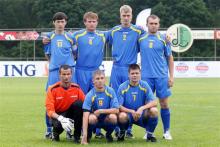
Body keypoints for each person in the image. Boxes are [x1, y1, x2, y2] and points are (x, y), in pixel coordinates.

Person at [108, 4, 145, 138]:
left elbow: (151, 38)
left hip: (130, 69)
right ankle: (119, 128)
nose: (126, 18)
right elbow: (98, 37)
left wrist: (166, 38)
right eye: (123, 15)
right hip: (117, 68)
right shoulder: (113, 31)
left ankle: (128, 129)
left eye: (128, 15)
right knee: (117, 99)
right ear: (120, 16)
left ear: (132, 16)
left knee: (130, 99)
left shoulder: (138, 31)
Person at [72, 11, 107, 138]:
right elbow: (62, 36)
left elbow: (121, 30)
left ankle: (97, 130)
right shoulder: (77, 35)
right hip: (80, 71)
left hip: (96, 71)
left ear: (97, 22)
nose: (91, 24)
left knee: (98, 100)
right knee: (82, 100)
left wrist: (140, 28)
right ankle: (82, 129)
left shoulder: (103, 35)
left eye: (94, 21)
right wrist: (47, 37)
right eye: (89, 21)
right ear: (85, 22)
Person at [139, 14, 174, 140]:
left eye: (156, 23)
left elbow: (169, 58)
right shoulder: (141, 38)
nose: (153, 26)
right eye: (151, 23)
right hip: (146, 77)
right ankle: (148, 131)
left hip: (161, 77)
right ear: (147, 25)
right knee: (148, 106)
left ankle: (167, 132)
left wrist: (171, 76)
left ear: (159, 25)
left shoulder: (164, 39)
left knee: (164, 103)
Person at [43, 12, 75, 139]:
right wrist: (53, 64)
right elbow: (47, 54)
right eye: (58, 22)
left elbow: (75, 53)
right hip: (54, 73)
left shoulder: (71, 37)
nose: (60, 24)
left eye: (62, 21)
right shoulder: (49, 37)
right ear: (54, 23)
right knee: (50, 101)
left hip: (68, 72)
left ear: (65, 23)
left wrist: (69, 66)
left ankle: (69, 130)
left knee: (71, 101)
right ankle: (49, 129)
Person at [116, 64, 158, 142]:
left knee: (154, 111)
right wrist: (131, 111)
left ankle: (150, 134)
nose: (135, 75)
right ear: (128, 75)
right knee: (121, 115)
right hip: (128, 115)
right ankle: (122, 132)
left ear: (140, 74)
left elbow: (154, 102)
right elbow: (119, 106)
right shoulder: (122, 87)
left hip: (141, 115)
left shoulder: (144, 85)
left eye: (137, 73)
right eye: (132, 73)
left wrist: (141, 108)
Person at [45, 64, 85, 143]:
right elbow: (49, 111)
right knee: (57, 125)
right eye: (64, 74)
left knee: (79, 104)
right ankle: (55, 133)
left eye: (68, 74)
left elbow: (86, 104)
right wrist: (61, 118)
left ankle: (77, 137)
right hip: (58, 116)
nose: (66, 77)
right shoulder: (52, 89)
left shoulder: (76, 88)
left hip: (71, 114)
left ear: (71, 75)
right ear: (59, 75)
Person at [81, 70, 119, 145]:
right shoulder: (90, 94)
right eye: (97, 79)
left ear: (105, 79)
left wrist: (101, 111)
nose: (100, 81)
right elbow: (85, 116)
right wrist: (84, 135)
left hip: (106, 120)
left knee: (113, 117)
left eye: (102, 78)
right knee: (91, 118)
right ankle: (88, 136)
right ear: (93, 81)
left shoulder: (110, 91)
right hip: (94, 120)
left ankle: (108, 135)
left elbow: (116, 110)